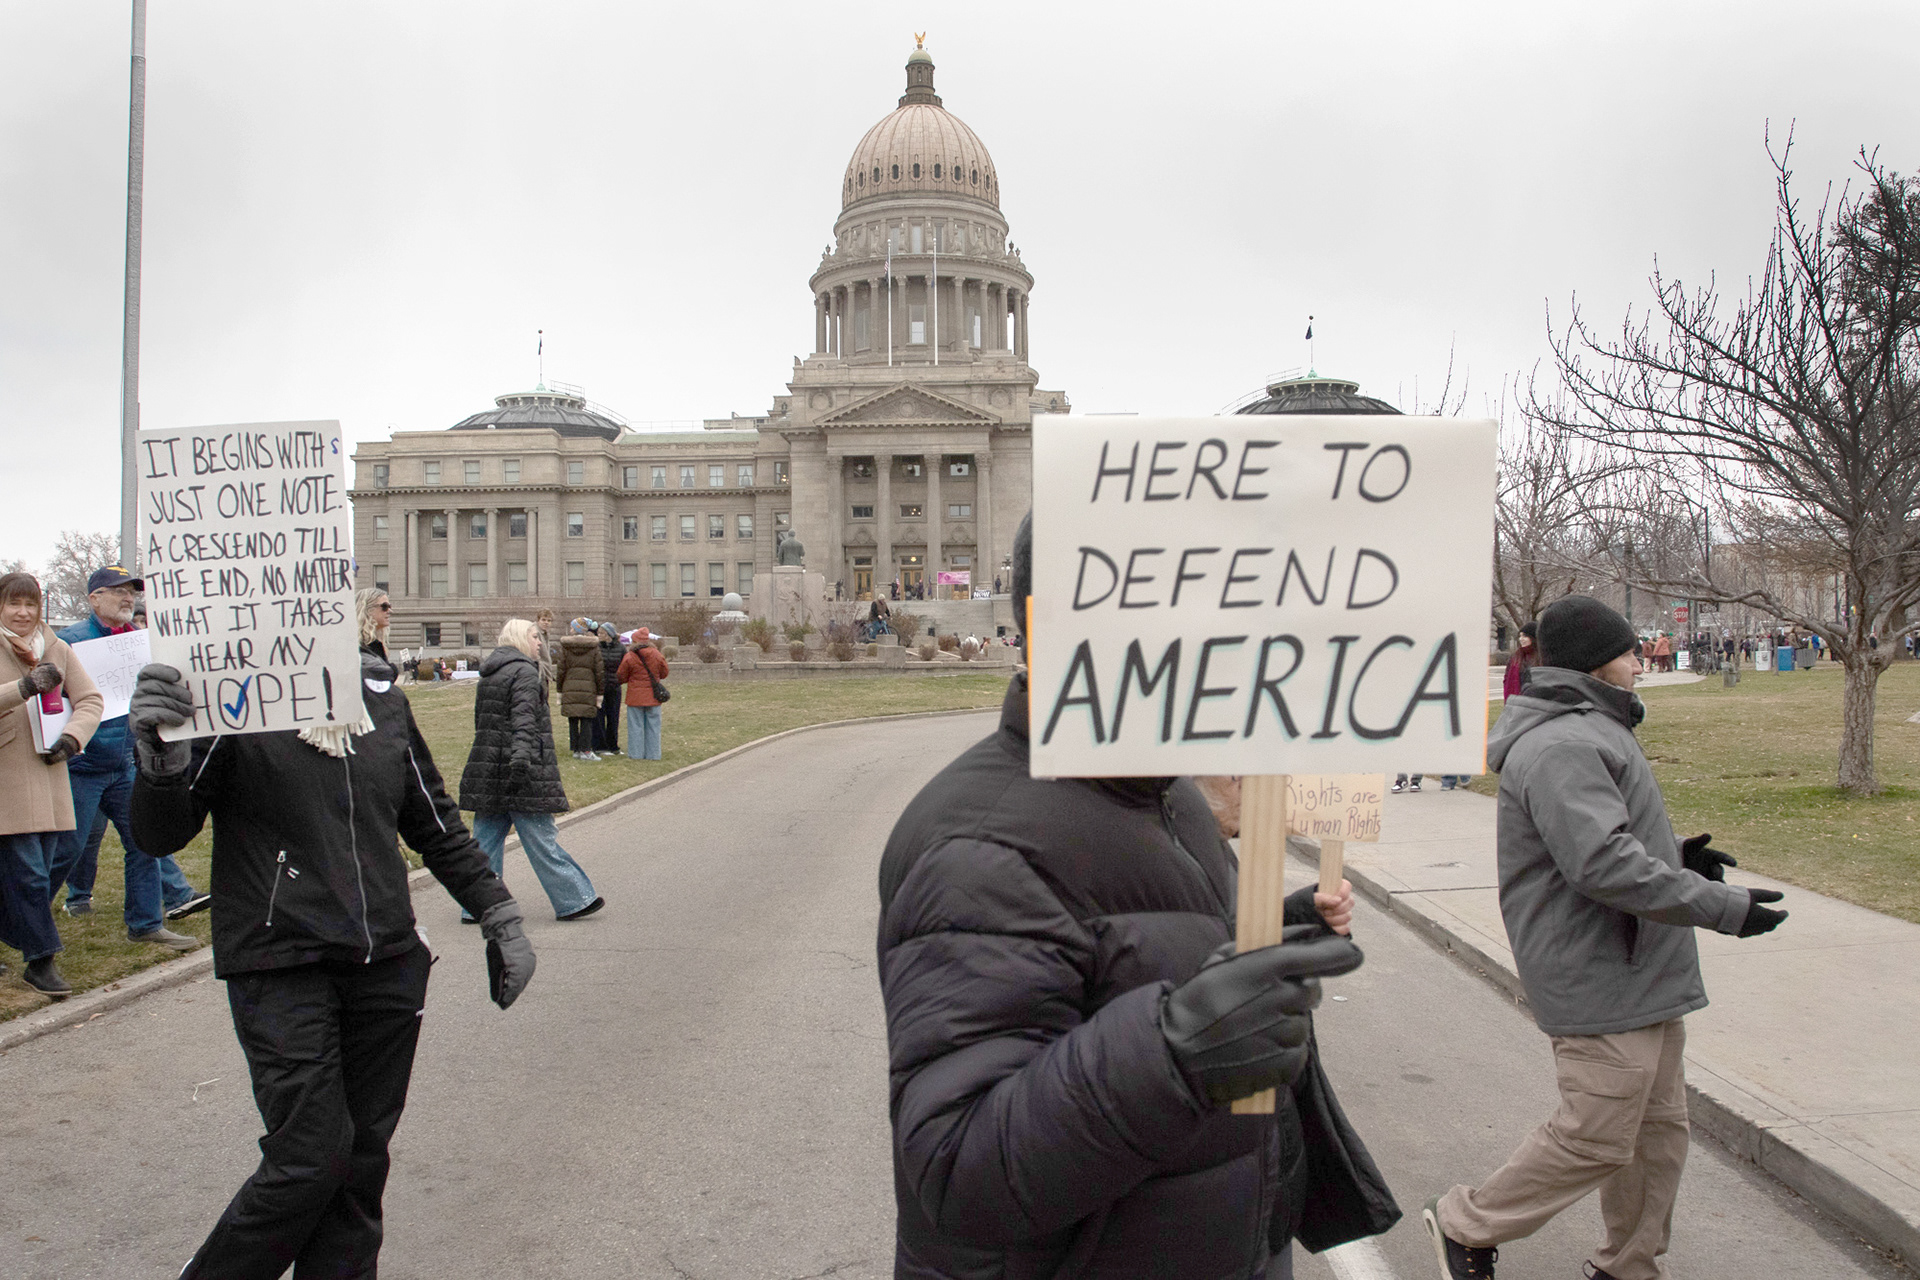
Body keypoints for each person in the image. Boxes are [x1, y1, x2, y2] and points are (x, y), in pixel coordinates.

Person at [876, 515, 1370, 1280]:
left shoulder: (1170, 791)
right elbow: (956, 1167)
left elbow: (1146, 943)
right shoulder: (976, 852)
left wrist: (1276, 931)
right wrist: (1174, 1053)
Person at [127, 606, 536, 1279]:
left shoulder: (383, 702)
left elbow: (433, 821)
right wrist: (160, 762)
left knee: (360, 1164)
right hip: (280, 961)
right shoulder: (231, 706)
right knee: (310, 1158)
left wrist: (498, 911)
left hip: (386, 964)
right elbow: (160, 833)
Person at [1422, 595, 1788, 1280]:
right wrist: (1721, 907)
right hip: (1597, 968)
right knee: (1596, 1136)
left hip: (1641, 964)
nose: (1640, 663)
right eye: (1629, 652)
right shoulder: (1563, 742)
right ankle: (1465, 1223)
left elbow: (1607, 836)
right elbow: (1601, 864)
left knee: (1656, 1136)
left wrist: (1678, 858)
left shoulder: (1592, 726)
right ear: (1595, 662)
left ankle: (1629, 1265)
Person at [53, 565, 207, 947]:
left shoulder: (139, 641)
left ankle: (145, 924)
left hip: (125, 763)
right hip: (82, 766)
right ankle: (25, 925)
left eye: (131, 592)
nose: (128, 598)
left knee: (144, 842)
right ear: (94, 599)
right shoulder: (70, 641)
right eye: (118, 591)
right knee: (65, 852)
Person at [458, 619, 604, 920]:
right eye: (535, 637)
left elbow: (481, 722)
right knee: (541, 839)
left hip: (490, 765)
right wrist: (521, 763)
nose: (539, 642)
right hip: (520, 767)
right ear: (520, 639)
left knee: (485, 840)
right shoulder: (525, 672)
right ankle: (574, 899)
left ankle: (478, 905)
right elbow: (524, 721)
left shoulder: (491, 672)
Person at [0, 572, 103, 997]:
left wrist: (73, 738)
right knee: (28, 873)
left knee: (52, 862)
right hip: (7, 777)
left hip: (49, 772)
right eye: (13, 603)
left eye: (31, 604)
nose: (23, 613)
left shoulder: (57, 648)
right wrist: (23, 687)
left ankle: (16, 936)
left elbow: (91, 699)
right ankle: (41, 961)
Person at [615, 629, 669, 762]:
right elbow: (664, 672)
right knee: (653, 727)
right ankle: (654, 754)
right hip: (653, 696)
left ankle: (636, 754)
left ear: (634, 641)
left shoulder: (630, 656)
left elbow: (621, 675)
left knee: (635, 726)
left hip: (635, 696)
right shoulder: (656, 654)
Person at [555, 622, 603, 760]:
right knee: (587, 719)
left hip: (570, 686)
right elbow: (599, 671)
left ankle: (575, 748)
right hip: (588, 687)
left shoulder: (566, 647)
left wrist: (559, 690)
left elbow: (561, 670)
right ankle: (586, 750)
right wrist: (600, 692)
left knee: (573, 718)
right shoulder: (594, 647)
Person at [594, 623, 624, 756]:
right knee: (599, 717)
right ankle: (600, 746)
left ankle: (613, 745)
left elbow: (624, 665)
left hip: (614, 686)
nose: (599, 635)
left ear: (609, 635)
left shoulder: (620, 648)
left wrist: (619, 679)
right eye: (599, 633)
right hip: (599, 686)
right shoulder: (596, 647)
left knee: (613, 717)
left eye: (602, 633)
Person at [1502, 621, 1539, 698]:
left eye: (1524, 636)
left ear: (1533, 637)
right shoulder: (1515, 657)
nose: (1521, 639)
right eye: (1520, 636)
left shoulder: (1541, 657)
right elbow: (1506, 679)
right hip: (1515, 700)